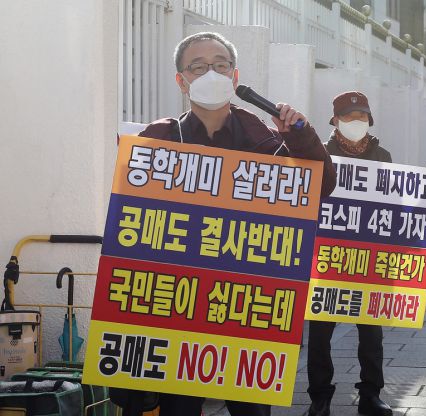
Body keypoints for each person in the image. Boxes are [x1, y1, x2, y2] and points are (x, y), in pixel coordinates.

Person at [128, 31, 336, 416]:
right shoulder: (161, 137)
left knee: (251, 408)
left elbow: (321, 187)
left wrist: (303, 139)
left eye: (220, 65)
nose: (211, 73)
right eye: (198, 66)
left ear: (235, 78)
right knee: (177, 407)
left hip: (247, 303)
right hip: (178, 300)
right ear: (181, 80)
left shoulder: (271, 142)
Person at [306, 91, 392, 416]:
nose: (356, 122)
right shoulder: (319, 155)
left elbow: (398, 202)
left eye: (361, 117)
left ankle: (371, 395)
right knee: (319, 336)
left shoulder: (382, 156)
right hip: (327, 261)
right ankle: (319, 397)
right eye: (348, 117)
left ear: (369, 121)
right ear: (335, 121)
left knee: (372, 334)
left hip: (368, 261)